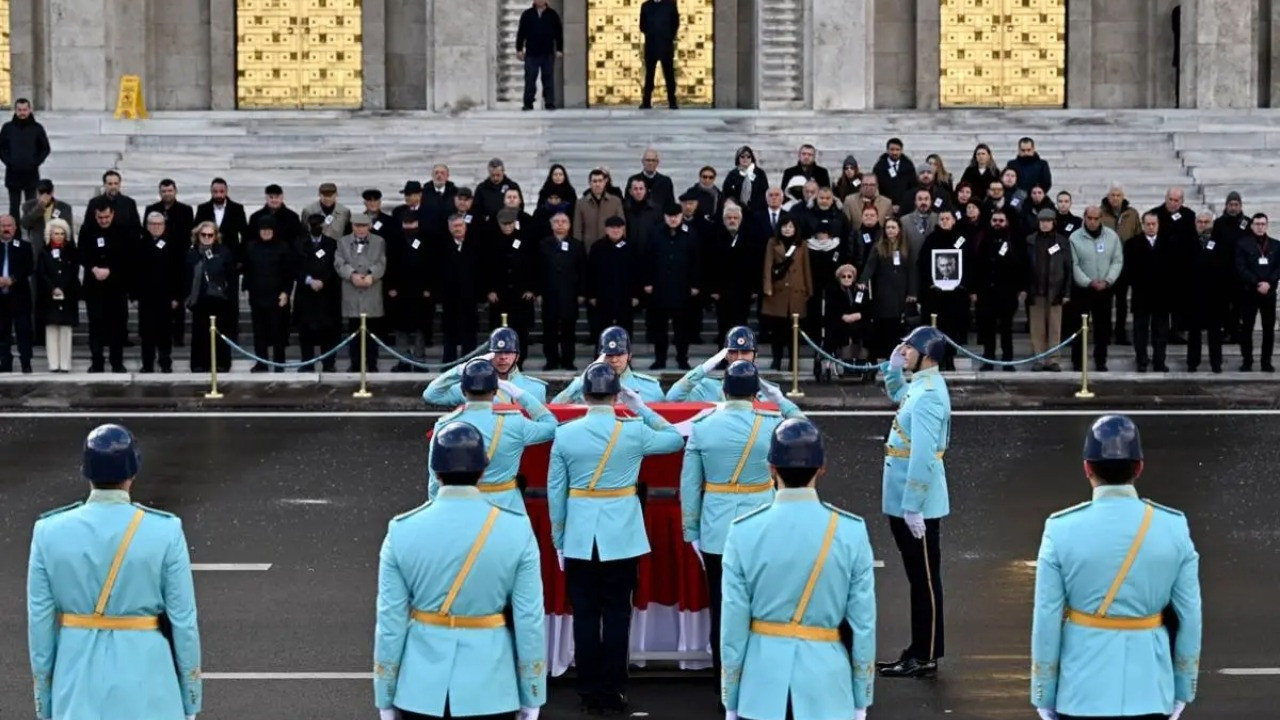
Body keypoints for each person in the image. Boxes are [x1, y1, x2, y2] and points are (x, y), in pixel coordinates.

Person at [1030, 415, 1201, 720]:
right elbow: (1189, 616)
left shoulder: (1060, 529)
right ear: (1139, 467)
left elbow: (1046, 618)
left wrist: (1044, 691)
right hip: (1151, 690)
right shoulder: (1173, 527)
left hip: (1080, 693)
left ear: (1087, 467)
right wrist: (1183, 687)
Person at [27, 424, 202, 720]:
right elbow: (184, 622)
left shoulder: (48, 532)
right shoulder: (165, 530)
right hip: (150, 684)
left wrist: (44, 699)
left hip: (76, 683)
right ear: (132, 472)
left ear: (86, 471)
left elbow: (40, 624)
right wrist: (190, 697)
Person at [374, 420, 546, 720]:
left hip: (420, 690)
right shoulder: (516, 528)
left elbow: (390, 621)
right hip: (491, 689)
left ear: (435, 472)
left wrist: (385, 695)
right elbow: (529, 619)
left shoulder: (402, 530)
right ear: (483, 470)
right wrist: (532, 693)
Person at [548, 361, 685, 713]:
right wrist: (640, 406)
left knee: (585, 615)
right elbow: (673, 438)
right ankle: (613, 690)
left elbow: (555, 492)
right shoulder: (634, 430)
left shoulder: (565, 433)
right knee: (617, 614)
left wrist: (559, 538)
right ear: (615, 394)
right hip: (621, 534)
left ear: (584, 393)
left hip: (580, 535)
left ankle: (588, 690)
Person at [720, 417, 876, 720]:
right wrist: (861, 696)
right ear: (821, 469)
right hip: (828, 687)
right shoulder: (849, 530)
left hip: (762, 687)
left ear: (771, 469)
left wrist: (732, 698)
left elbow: (733, 625)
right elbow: (863, 624)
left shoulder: (743, 531)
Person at [679, 361, 791, 692]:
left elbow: (689, 485)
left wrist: (692, 531)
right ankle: (761, 681)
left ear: (724, 390)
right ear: (756, 393)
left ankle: (726, 684)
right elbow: (803, 428)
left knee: (723, 607)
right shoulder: (773, 423)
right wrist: (782, 400)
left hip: (717, 527)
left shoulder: (703, 425)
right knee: (763, 605)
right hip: (762, 522)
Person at [877, 326, 951, 678]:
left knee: (924, 580)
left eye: (910, 347)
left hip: (916, 503)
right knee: (918, 578)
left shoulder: (931, 395)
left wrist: (913, 505)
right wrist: (892, 368)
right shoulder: (921, 387)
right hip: (904, 497)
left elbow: (923, 455)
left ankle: (925, 654)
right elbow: (899, 397)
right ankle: (919, 648)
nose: (904, 350)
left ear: (929, 355)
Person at [426, 358, 557, 514]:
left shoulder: (445, 426)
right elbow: (551, 426)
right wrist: (522, 395)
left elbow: (435, 479)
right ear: (495, 391)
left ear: (462, 390)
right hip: (507, 508)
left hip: (463, 508)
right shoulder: (514, 423)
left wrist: (456, 371)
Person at [666, 326, 802, 417]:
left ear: (755, 356)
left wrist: (780, 401)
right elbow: (672, 399)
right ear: (725, 355)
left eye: (745, 352)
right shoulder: (708, 387)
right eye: (733, 352)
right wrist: (705, 367)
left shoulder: (768, 393)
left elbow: (799, 422)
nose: (739, 358)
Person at [424, 327, 548, 406]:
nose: (503, 357)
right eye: (497, 352)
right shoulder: (473, 385)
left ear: (517, 356)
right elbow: (431, 395)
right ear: (489, 355)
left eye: (508, 352)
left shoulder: (536, 388)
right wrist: (461, 370)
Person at [553, 326, 664, 403]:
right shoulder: (584, 385)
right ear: (600, 358)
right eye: (608, 355)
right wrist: (586, 376)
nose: (614, 360)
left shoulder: (650, 387)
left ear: (629, 356)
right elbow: (555, 407)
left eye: (619, 354)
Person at [0, 98, 50, 218]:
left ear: (30, 110)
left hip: (31, 174)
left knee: (31, 206)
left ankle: (30, 233)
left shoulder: (37, 128)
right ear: (15, 110)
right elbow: (1, 148)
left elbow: (45, 148)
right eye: (19, 110)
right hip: (13, 173)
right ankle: (15, 234)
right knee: (14, 207)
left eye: (25, 110)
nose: (22, 113)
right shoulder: (7, 128)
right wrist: (9, 162)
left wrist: (35, 162)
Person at [0, 214, 34, 372]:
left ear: (15, 228)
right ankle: (5, 363)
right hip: (1, 297)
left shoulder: (24, 246)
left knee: (23, 331)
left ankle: (26, 363)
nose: (6, 229)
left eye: (9, 226)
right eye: (3, 226)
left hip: (19, 296)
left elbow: (29, 267)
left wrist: (13, 279)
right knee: (2, 333)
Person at [639, 0, 680, 109]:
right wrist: (650, 33)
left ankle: (672, 101)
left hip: (666, 45)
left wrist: (669, 36)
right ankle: (646, 101)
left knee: (669, 75)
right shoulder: (645, 6)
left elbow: (675, 24)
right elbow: (642, 26)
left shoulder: (671, 5)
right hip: (651, 45)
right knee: (649, 75)